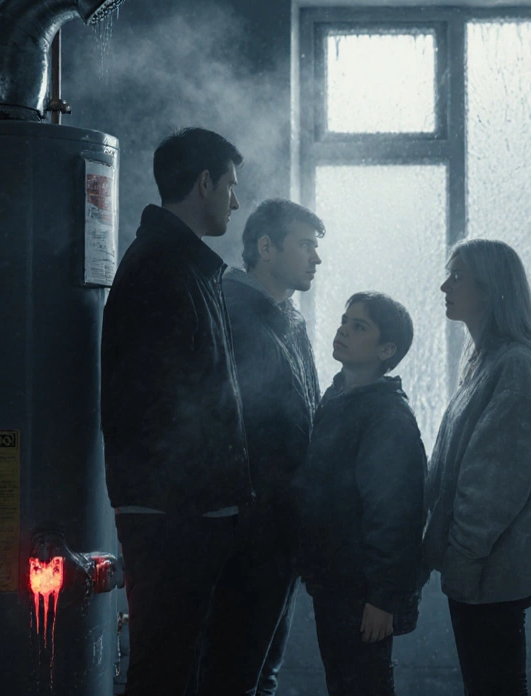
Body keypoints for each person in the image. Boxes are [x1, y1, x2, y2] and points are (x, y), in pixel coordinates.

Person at [100, 127, 250, 695]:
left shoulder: (183, 266)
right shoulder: (163, 270)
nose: (235, 201)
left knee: (176, 665)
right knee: (165, 671)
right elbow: (153, 403)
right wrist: (205, 499)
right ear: (204, 182)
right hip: (173, 515)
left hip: (181, 511)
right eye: (230, 186)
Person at [195, 199, 325, 696]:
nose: (316, 258)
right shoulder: (233, 313)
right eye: (306, 245)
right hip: (248, 530)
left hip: (280, 525)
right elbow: (232, 426)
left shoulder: (285, 316)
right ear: (266, 248)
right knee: (234, 672)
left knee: (259, 670)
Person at [421, 238, 531, 696]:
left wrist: (462, 558)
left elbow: (494, 486)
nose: (445, 285)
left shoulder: (514, 366)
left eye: (457, 276)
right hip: (482, 571)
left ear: (490, 289)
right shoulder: (488, 361)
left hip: (487, 573)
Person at [292, 292, 427, 696]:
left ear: (387, 349)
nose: (342, 330)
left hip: (362, 591)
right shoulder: (338, 397)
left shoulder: (387, 417)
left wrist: (383, 599)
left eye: (359, 326)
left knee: (364, 686)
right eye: (344, 320)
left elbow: (397, 514)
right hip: (334, 581)